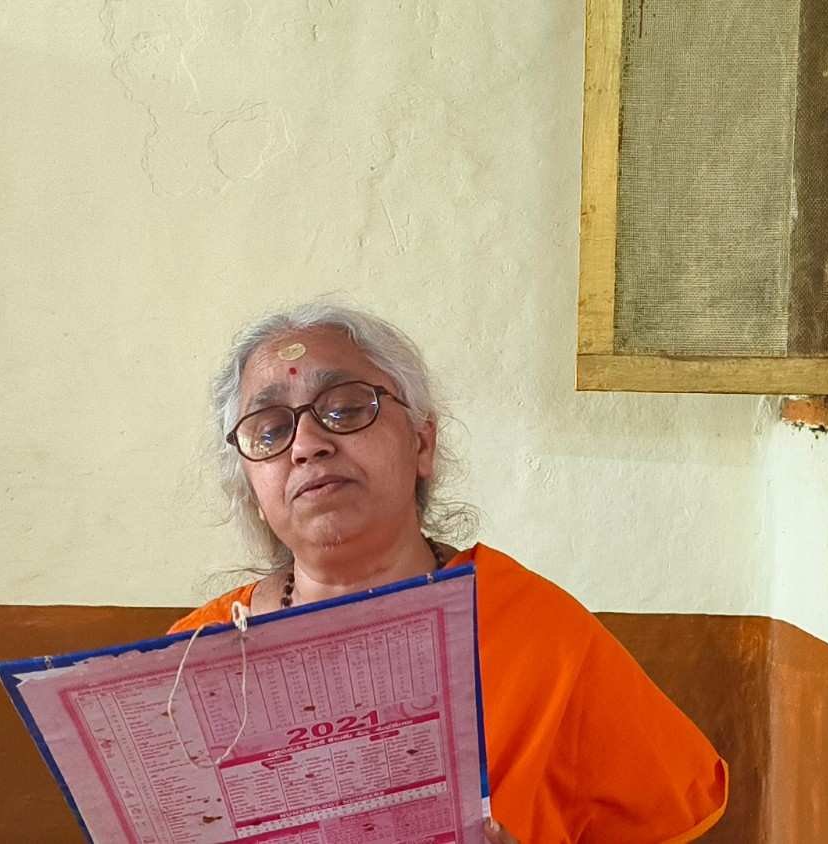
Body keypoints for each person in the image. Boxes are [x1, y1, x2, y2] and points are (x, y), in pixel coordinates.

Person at [170, 301, 727, 842]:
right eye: (268, 431)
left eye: (345, 408)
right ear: (252, 490)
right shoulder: (192, 658)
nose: (308, 445)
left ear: (422, 443)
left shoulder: (534, 629)